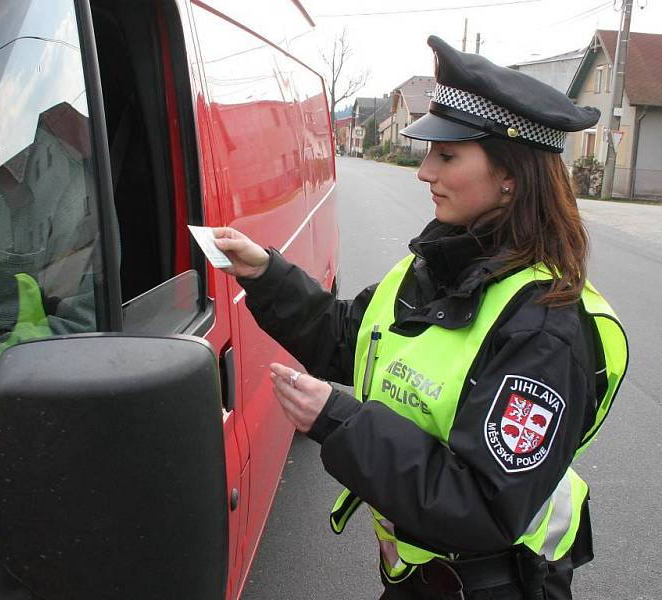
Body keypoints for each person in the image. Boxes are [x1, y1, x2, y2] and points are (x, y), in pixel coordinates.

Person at [212, 35, 628, 599]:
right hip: (420, 577)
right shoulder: (438, 262)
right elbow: (350, 337)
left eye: (448, 155)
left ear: (511, 176)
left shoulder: (544, 327)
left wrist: (338, 420)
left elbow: (482, 503)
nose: (424, 171)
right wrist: (264, 274)